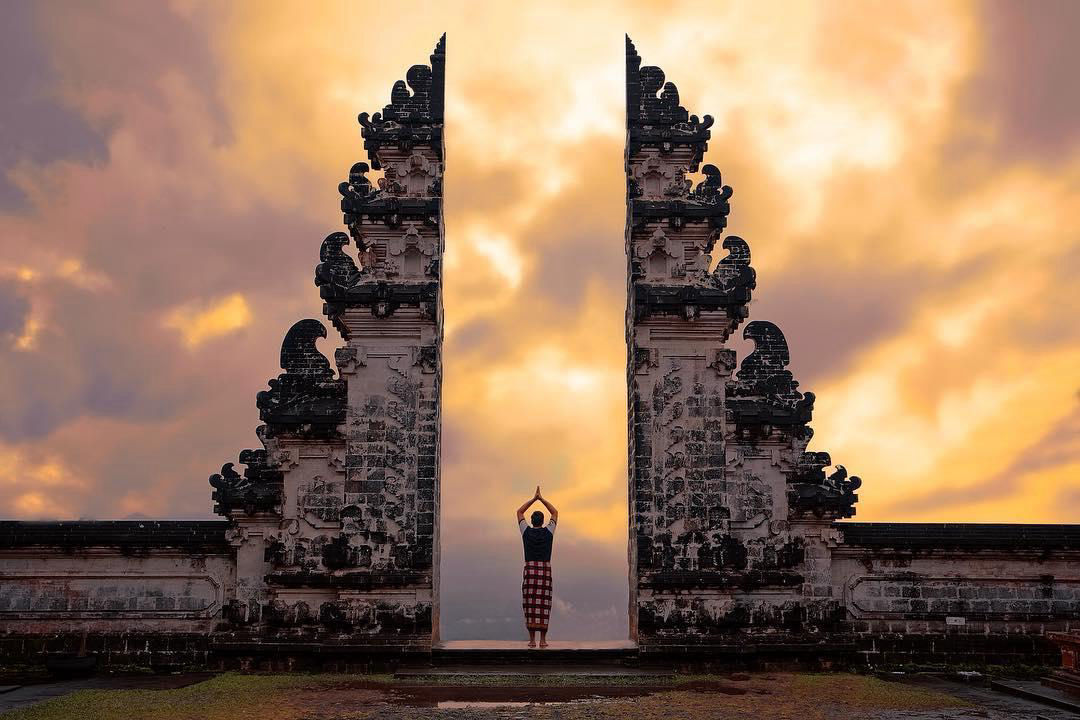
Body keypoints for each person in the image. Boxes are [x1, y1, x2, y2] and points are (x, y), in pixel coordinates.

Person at [515, 485, 558, 648]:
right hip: (545, 569)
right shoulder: (549, 532)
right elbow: (555, 512)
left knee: (530, 602)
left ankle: (532, 640)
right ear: (543, 521)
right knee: (544, 603)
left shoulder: (526, 532)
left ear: (531, 521)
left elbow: (519, 512)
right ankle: (543, 640)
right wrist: (542, 499)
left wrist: (533, 500)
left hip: (530, 569)